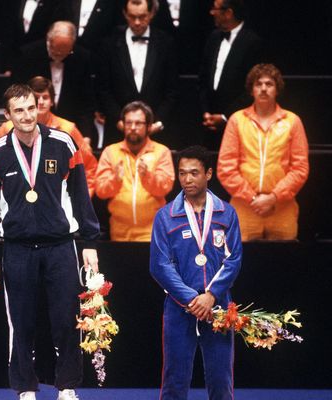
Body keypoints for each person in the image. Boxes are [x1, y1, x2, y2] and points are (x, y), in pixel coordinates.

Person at [0, 84, 100, 400]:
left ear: (39, 108)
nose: (27, 115)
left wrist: (89, 242)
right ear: (7, 115)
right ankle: (25, 388)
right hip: (17, 248)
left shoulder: (63, 144)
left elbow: (81, 196)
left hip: (60, 245)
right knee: (20, 321)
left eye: (31, 108)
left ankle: (68, 386)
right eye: (19, 110)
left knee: (66, 317)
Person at [150, 145, 242, 400]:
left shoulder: (226, 213)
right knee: (174, 379)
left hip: (218, 306)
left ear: (209, 173)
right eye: (182, 173)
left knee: (221, 378)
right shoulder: (166, 216)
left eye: (194, 173)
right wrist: (192, 298)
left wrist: (211, 295)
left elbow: (233, 259)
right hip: (180, 307)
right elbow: (159, 265)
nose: (187, 180)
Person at [217, 64, 309, 241]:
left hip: (282, 206)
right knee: (243, 265)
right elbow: (225, 168)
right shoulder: (237, 120)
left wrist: (273, 197)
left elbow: (300, 168)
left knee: (285, 264)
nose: (264, 89)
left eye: (269, 84)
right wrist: (252, 198)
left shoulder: (292, 121)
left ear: (277, 89)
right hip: (244, 206)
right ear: (251, 90)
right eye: (258, 84)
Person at [0, 76, 98, 197]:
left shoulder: (68, 129)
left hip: (58, 207)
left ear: (52, 101)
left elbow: (90, 168)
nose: (40, 102)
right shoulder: (7, 128)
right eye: (37, 97)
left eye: (45, 97)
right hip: (16, 203)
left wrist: (79, 202)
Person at [95, 0, 178, 147]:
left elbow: (172, 90)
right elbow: (104, 90)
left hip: (156, 132)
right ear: (124, 14)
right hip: (118, 132)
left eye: (142, 16)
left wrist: (156, 123)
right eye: (132, 17)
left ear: (152, 13)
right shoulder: (108, 44)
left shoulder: (167, 43)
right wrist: (120, 122)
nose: (137, 22)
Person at [95, 101, 174, 241]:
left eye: (138, 123)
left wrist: (148, 177)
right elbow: (101, 191)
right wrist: (115, 179)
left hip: (152, 231)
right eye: (128, 123)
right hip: (119, 232)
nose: (132, 127)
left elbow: (165, 188)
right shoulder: (110, 151)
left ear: (149, 126)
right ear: (122, 125)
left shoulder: (161, 151)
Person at [11, 21, 96, 140]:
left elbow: (86, 101)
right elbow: (17, 97)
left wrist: (86, 135)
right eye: (56, 50)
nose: (59, 55)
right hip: (32, 129)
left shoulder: (82, 57)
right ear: (48, 40)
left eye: (65, 52)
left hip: (69, 130)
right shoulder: (28, 55)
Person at [198, 0, 264, 150]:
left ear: (228, 13)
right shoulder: (214, 37)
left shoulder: (252, 42)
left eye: (215, 9)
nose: (211, 12)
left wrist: (225, 117)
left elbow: (252, 89)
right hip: (209, 126)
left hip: (239, 124)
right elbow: (203, 80)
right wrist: (206, 112)